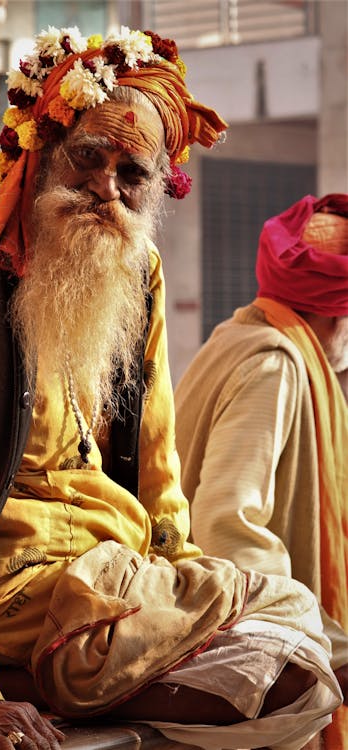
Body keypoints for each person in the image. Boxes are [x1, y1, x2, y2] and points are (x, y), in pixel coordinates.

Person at [0, 27, 342, 750]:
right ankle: (8, 678)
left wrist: (192, 588)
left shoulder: (136, 273)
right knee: (290, 676)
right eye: (88, 157)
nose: (105, 188)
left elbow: (158, 472)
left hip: (120, 584)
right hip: (1, 595)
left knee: (303, 636)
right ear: (45, 151)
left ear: (154, 189)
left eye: (131, 173)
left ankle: (52, 680)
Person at [174, 193, 348, 749]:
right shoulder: (273, 364)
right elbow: (228, 525)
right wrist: (319, 649)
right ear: (335, 310)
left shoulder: (233, 335)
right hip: (245, 655)